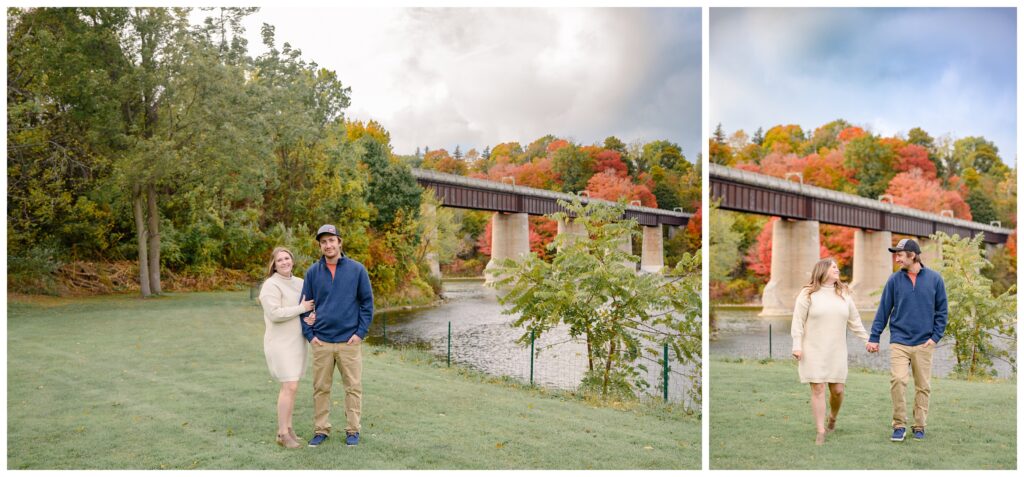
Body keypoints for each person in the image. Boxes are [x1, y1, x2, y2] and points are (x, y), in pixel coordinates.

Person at [866, 238, 948, 442]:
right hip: (899, 341)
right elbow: (883, 310)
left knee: (923, 386)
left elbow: (942, 311)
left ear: (912, 255)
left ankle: (919, 425)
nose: (896, 259)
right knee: (898, 380)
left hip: (924, 343)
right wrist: (874, 337)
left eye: (900, 255)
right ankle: (899, 425)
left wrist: (935, 337)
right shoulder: (894, 280)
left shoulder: (935, 279)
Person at [300, 224, 374, 447]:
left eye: (331, 240)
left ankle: (353, 430)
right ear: (320, 246)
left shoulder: (357, 269)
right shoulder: (313, 272)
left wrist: (360, 333)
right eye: (323, 242)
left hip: (349, 343)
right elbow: (304, 306)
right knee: (321, 389)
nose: (328, 245)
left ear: (340, 242)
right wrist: (310, 335)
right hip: (321, 342)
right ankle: (321, 430)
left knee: (353, 388)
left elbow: (367, 304)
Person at [791, 258, 869, 445]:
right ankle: (820, 431)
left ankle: (832, 417)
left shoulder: (844, 294)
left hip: (836, 349)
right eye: (834, 267)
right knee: (818, 388)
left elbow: (855, 321)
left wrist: (868, 340)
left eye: (837, 267)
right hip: (813, 349)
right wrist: (797, 345)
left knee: (838, 390)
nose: (837, 269)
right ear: (823, 270)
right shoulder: (807, 294)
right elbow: (798, 321)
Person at [258, 247, 315, 448]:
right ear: (273, 264)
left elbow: (307, 309)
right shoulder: (270, 285)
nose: (284, 262)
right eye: (279, 260)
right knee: (288, 386)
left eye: (287, 258)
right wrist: (302, 308)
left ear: (292, 260)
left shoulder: (300, 282)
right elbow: (274, 313)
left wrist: (310, 315)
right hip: (280, 343)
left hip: (297, 341)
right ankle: (282, 434)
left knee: (293, 386)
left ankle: (289, 429)